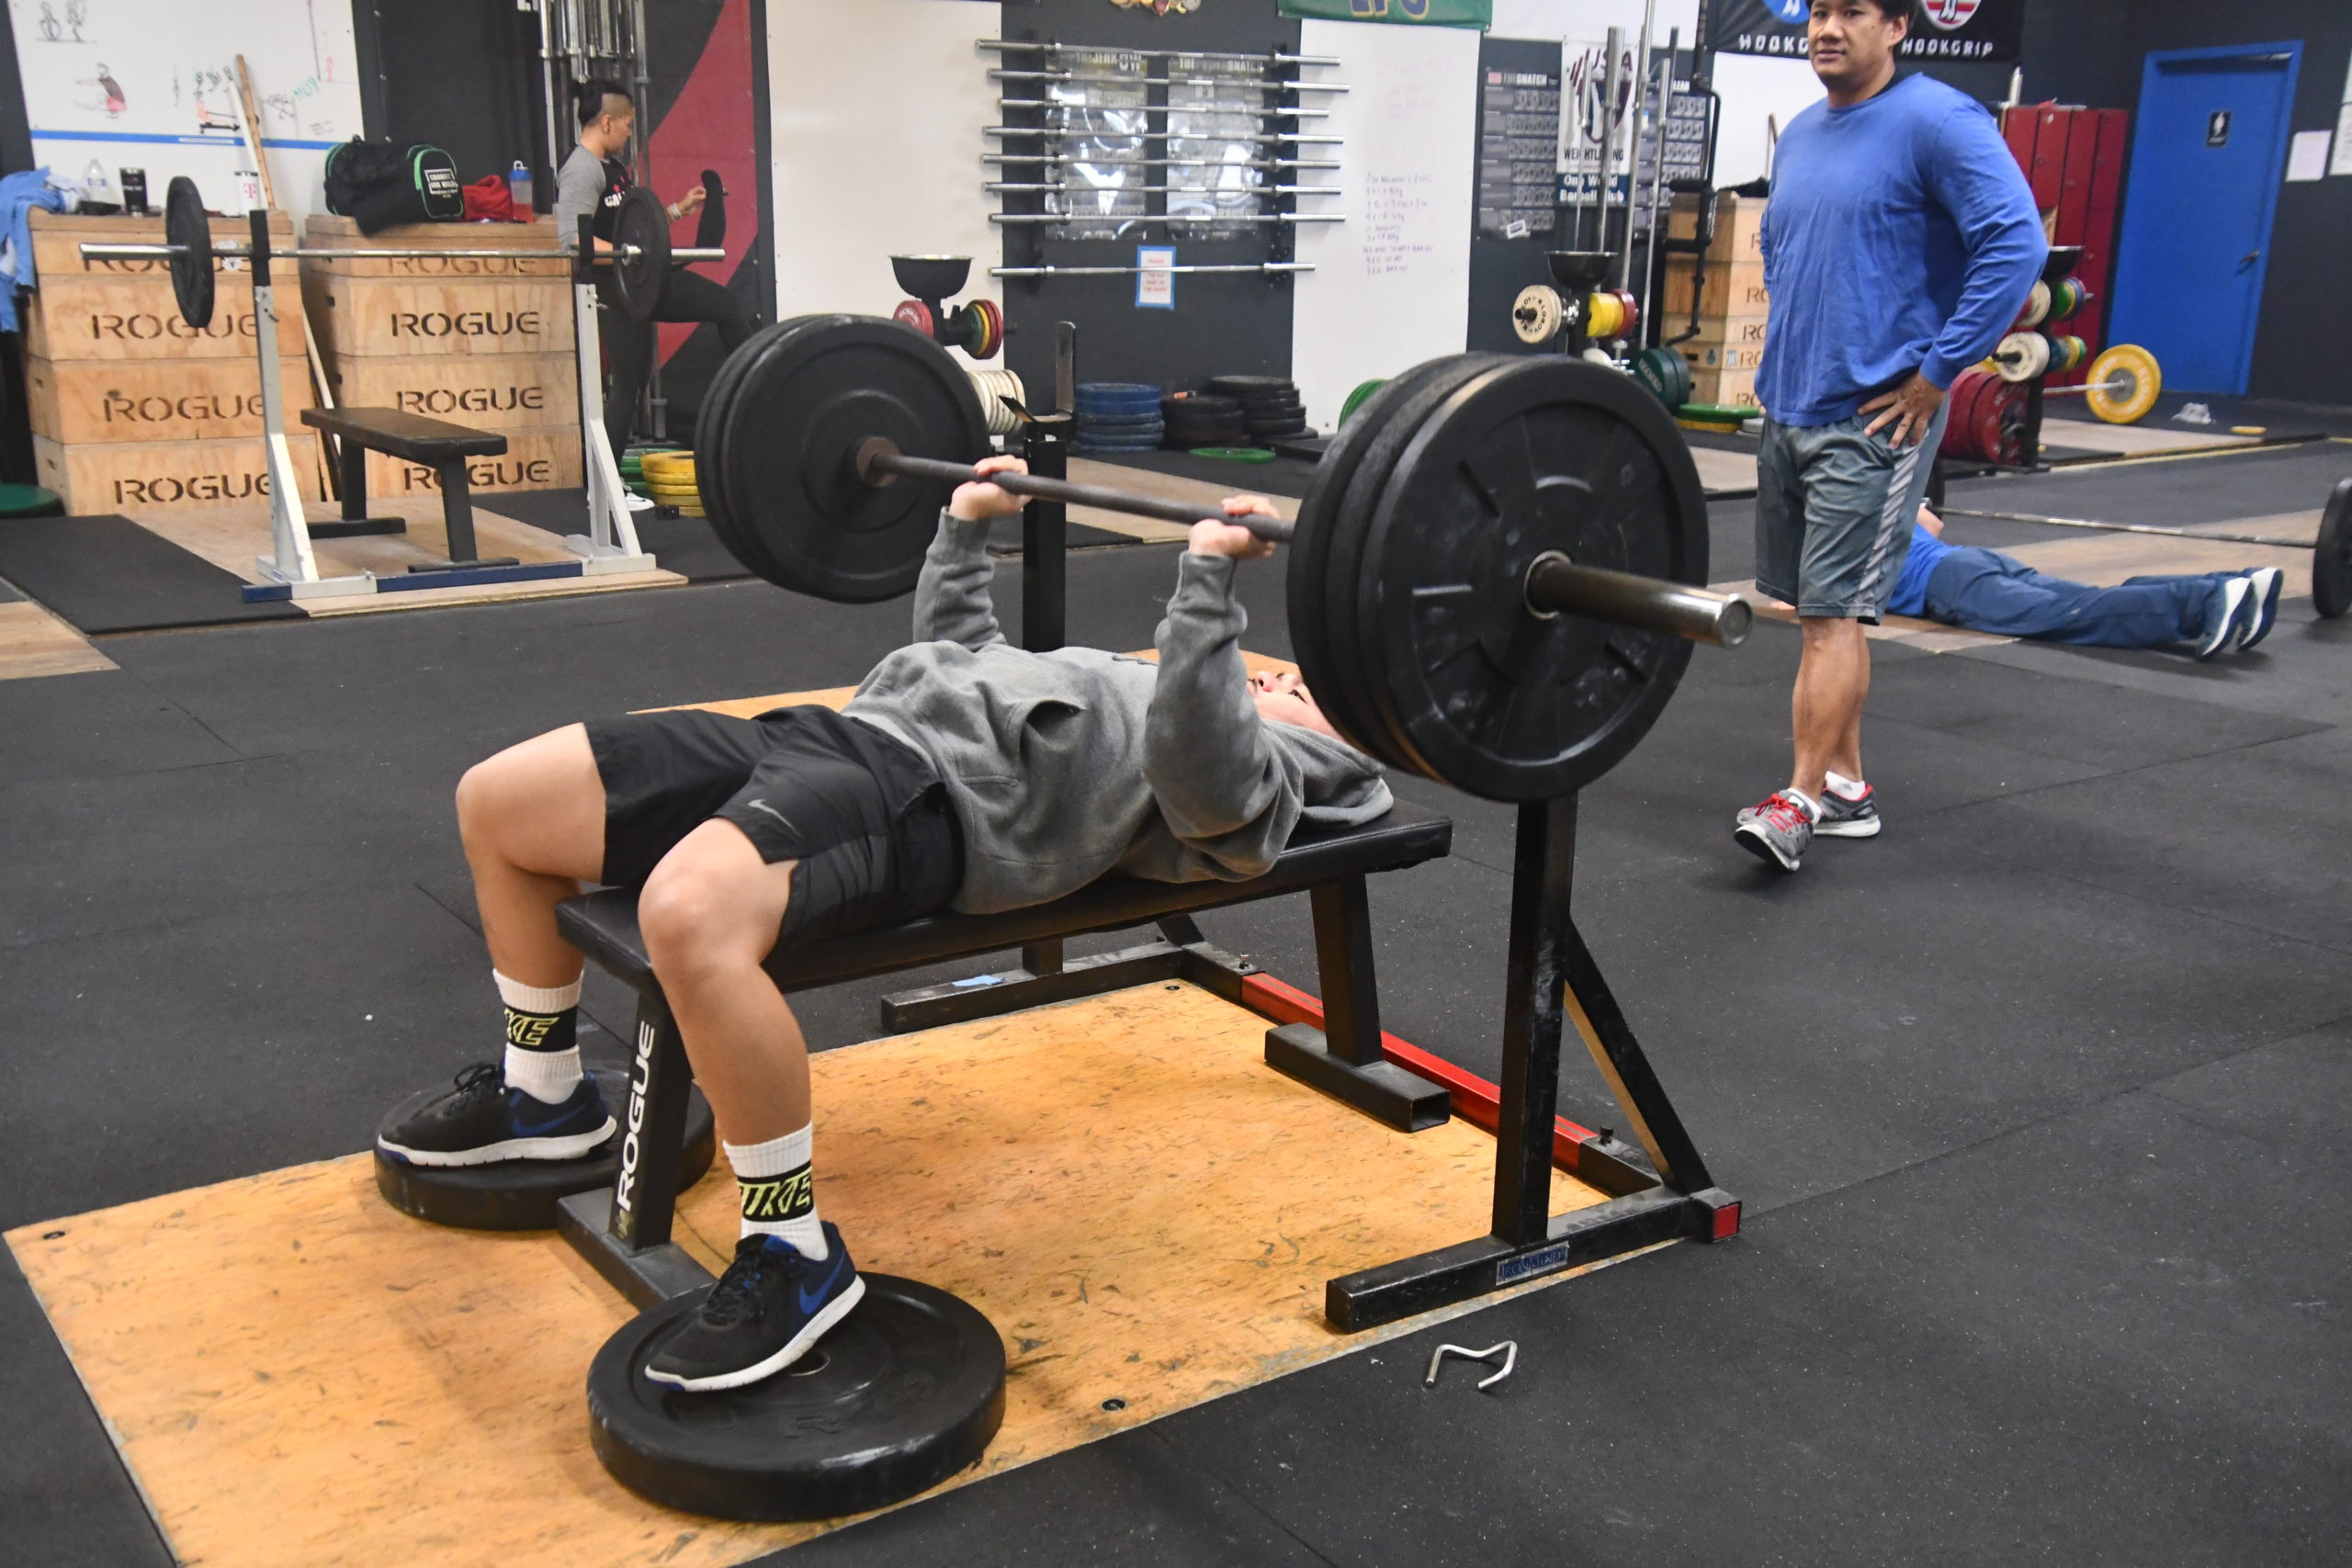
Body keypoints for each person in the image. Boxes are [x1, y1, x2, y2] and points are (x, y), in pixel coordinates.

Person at [378, 457, 1390, 1393]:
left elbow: (1207, 784)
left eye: (1296, 691)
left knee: (687, 914)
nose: (1276, 677)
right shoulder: (1147, 683)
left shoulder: (1276, 772)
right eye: (1277, 673)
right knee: (499, 801)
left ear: (1336, 752)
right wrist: (965, 527)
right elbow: (960, 657)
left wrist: (1207, 589)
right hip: (834, 732)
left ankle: (793, 1253)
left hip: (922, 800)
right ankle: (545, 1094)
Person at [1733, 0, 2047, 874]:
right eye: (1818, 11)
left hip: (1875, 416)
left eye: (1853, 11)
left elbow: (2015, 245)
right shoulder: (1802, 133)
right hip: (1790, 406)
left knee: (1830, 615)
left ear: (1898, 27)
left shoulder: (1937, 121)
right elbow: (1791, 258)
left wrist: (1938, 372)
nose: (1828, 28)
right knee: (1815, 612)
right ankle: (1845, 787)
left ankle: (1798, 801)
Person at [553, 77, 754, 470]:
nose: (630, 133)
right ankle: (604, 487)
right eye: (628, 124)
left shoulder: (611, 166)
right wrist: (629, 258)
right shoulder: (582, 170)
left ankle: (754, 386)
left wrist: (678, 210)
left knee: (634, 382)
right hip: (615, 288)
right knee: (627, 386)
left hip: (636, 282)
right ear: (607, 122)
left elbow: (632, 229)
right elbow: (573, 241)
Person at [1890, 507, 2283, 660]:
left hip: (1947, 584)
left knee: (2073, 615)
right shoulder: (1880, 492)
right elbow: (1931, 524)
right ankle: (2238, 585)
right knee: (2091, 598)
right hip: (1970, 558)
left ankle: (2207, 601)